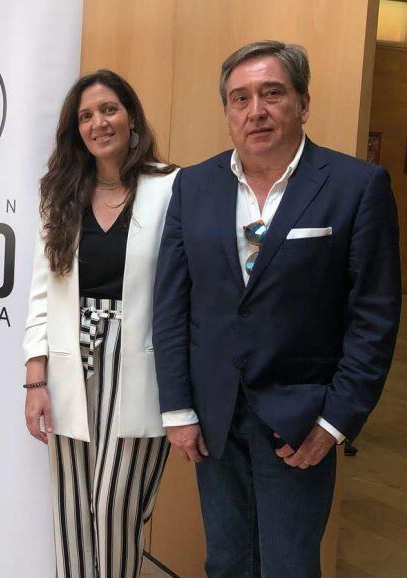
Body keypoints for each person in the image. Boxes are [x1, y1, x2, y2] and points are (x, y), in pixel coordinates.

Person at [153, 40, 401, 577]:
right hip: (212, 415)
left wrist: (336, 421)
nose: (255, 111)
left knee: (288, 566)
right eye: (239, 99)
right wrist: (177, 408)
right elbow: (172, 305)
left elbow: (374, 319)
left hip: (301, 418)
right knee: (226, 561)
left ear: (303, 104)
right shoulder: (193, 186)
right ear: (226, 112)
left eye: (272, 93)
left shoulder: (356, 187)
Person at [23, 69, 177, 578]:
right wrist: (35, 378)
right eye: (86, 116)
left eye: (109, 109)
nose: (98, 123)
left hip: (143, 366)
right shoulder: (61, 194)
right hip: (73, 360)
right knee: (70, 509)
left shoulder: (172, 187)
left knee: (115, 509)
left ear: (131, 115)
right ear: (76, 130)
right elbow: (42, 292)